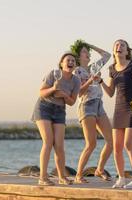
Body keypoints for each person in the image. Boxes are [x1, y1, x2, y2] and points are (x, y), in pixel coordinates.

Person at [31, 51, 81, 186]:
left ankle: (62, 177)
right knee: (48, 141)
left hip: (60, 111)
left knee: (59, 146)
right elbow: (41, 92)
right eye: (68, 60)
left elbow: (71, 102)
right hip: (44, 107)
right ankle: (43, 177)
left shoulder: (76, 80)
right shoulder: (53, 74)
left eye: (73, 61)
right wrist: (53, 88)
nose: (70, 62)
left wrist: (63, 94)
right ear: (61, 64)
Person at [101, 39, 132, 189]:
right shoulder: (112, 69)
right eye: (117, 45)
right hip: (118, 109)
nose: (119, 47)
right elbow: (110, 93)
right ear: (114, 50)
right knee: (117, 146)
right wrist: (100, 81)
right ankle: (121, 178)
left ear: (127, 51)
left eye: (122, 45)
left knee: (128, 144)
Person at [70, 40, 113, 183]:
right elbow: (79, 93)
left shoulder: (94, 66)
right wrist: (91, 80)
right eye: (83, 51)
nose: (87, 53)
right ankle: (78, 175)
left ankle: (99, 169)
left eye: (87, 51)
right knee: (91, 143)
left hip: (99, 104)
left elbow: (107, 55)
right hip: (86, 106)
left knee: (111, 141)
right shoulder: (76, 71)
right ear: (78, 56)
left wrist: (90, 45)